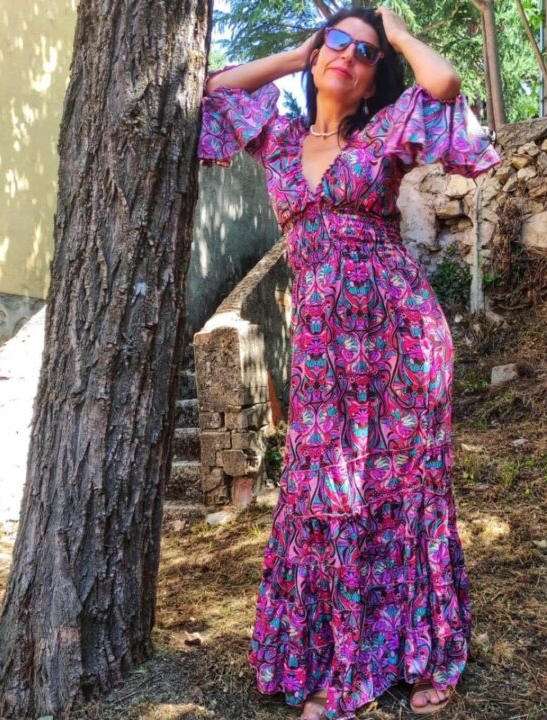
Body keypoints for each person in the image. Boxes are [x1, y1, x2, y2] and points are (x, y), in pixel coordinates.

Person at [198, 7, 501, 719]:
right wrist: (294, 55)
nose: (349, 56)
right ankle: (336, 658)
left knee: (407, 486)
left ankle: (424, 651)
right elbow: (212, 88)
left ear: (373, 79)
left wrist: (397, 32)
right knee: (323, 487)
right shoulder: (278, 136)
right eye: (338, 42)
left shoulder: (383, 133)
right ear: (317, 53)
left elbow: (445, 84)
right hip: (322, 345)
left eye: (365, 53)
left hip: (400, 335)